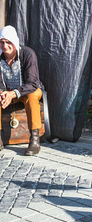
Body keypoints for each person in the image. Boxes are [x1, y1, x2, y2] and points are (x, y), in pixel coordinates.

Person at [0, 25, 43, 155]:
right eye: (1, 42)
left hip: (27, 91)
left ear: (14, 41)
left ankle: (35, 140)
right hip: (7, 93)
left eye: (8, 42)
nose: (5, 45)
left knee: (32, 96)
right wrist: (2, 94)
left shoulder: (27, 54)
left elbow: (32, 83)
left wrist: (13, 93)